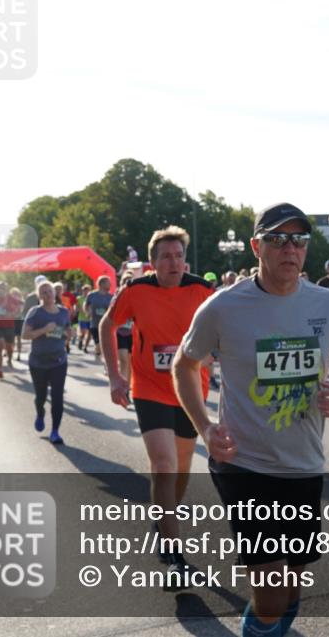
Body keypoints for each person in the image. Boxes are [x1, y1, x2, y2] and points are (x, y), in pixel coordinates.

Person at [173, 202, 329, 637]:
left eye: (298, 240)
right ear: (256, 246)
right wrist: (205, 428)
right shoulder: (224, 307)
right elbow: (184, 366)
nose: (289, 249)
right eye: (278, 239)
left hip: (303, 463)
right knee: (272, 589)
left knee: (292, 585)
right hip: (243, 463)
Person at [100, 226, 214, 587]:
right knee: (163, 464)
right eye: (165, 256)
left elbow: (225, 331)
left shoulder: (202, 290)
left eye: (179, 255)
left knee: (181, 470)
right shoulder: (136, 290)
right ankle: (174, 553)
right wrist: (115, 377)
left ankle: (164, 517)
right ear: (152, 263)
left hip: (191, 389)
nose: (173, 262)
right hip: (148, 387)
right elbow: (107, 325)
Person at [22, 280, 72, 445]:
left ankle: (55, 431)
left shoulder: (64, 312)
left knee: (57, 397)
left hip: (59, 361)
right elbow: (25, 335)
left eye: (49, 291)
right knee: (40, 397)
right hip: (38, 362)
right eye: (43, 292)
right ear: (39, 296)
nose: (47, 294)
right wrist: (44, 330)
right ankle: (40, 413)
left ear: (55, 293)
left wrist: (67, 334)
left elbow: (67, 330)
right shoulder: (35, 312)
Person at [0, 282, 20, 379]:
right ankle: (0, 369)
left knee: (9, 348)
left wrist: (12, 314)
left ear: (7, 289)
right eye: (0, 288)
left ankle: (9, 359)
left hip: (9, 326)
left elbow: (19, 308)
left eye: (4, 288)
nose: (2, 290)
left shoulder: (11, 299)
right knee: (0, 347)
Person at [86, 276, 114, 359]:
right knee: (98, 344)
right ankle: (98, 353)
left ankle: (103, 360)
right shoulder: (92, 295)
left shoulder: (111, 297)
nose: (110, 285)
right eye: (108, 283)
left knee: (105, 345)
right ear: (101, 284)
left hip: (106, 325)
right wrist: (88, 311)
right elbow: (86, 305)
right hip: (95, 323)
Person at [76, 284, 92, 352]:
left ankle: (85, 347)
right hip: (82, 318)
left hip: (90, 318)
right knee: (83, 332)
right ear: (82, 291)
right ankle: (80, 341)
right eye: (85, 291)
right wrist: (84, 311)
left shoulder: (92, 298)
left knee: (90, 334)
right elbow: (77, 307)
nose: (86, 292)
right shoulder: (79, 298)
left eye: (88, 291)